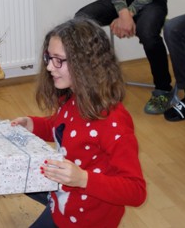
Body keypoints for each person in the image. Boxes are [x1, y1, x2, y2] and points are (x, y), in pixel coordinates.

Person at [11, 18, 147, 228]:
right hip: (63, 201)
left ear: (86, 64)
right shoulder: (73, 97)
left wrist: (83, 179)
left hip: (87, 219)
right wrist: (31, 125)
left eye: (58, 60)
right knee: (17, 173)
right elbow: (62, 128)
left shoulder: (114, 122)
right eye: (49, 57)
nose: (49, 67)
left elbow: (136, 191)